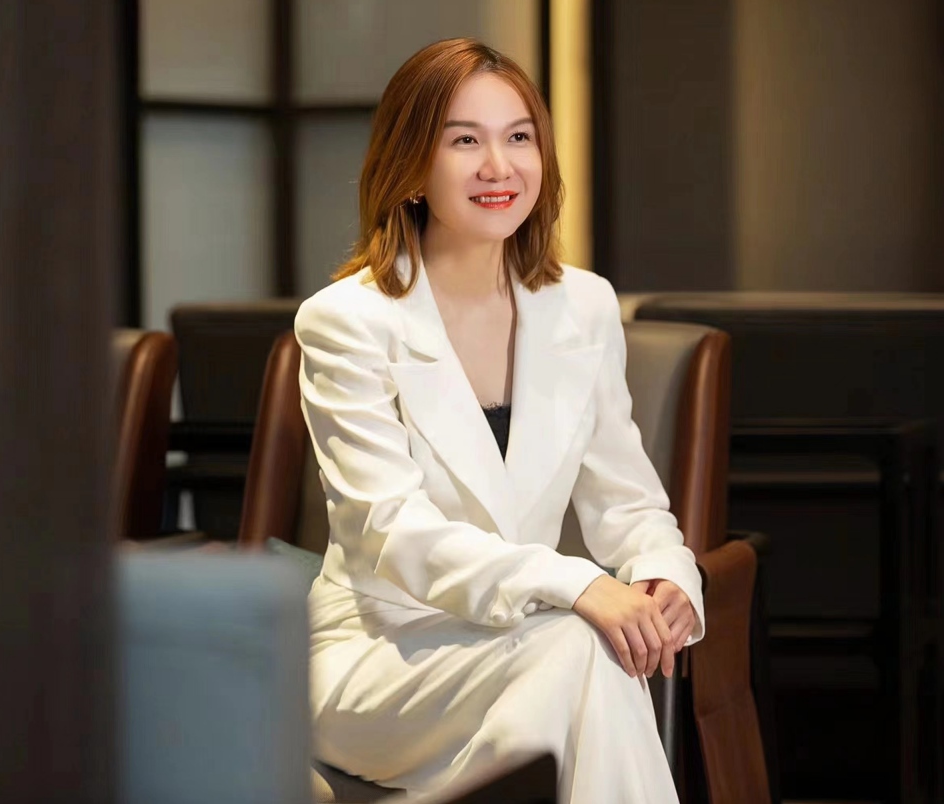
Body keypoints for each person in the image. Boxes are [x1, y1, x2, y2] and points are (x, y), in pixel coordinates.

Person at [294, 38, 704, 803]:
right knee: (579, 653)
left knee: (566, 672)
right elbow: (392, 532)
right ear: (410, 165)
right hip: (381, 656)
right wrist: (578, 584)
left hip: (526, 647)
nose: (498, 166)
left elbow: (628, 503)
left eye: (518, 137)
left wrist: (663, 574)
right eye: (463, 141)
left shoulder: (582, 305)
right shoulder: (346, 321)